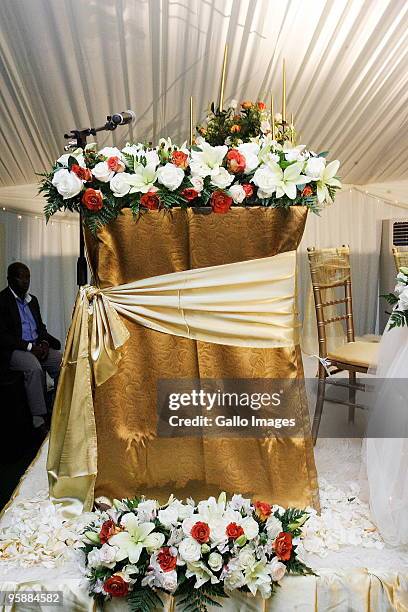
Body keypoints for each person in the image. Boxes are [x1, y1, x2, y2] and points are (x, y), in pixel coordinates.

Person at [0, 262, 62, 436]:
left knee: (62, 361)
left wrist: (44, 343)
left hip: (36, 346)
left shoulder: (32, 300)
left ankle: (56, 410)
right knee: (34, 367)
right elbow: (4, 336)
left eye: (28, 277)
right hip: (15, 350)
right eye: (22, 277)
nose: (26, 281)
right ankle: (38, 421)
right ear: (10, 279)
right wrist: (29, 347)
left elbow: (41, 327)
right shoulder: (2, 301)